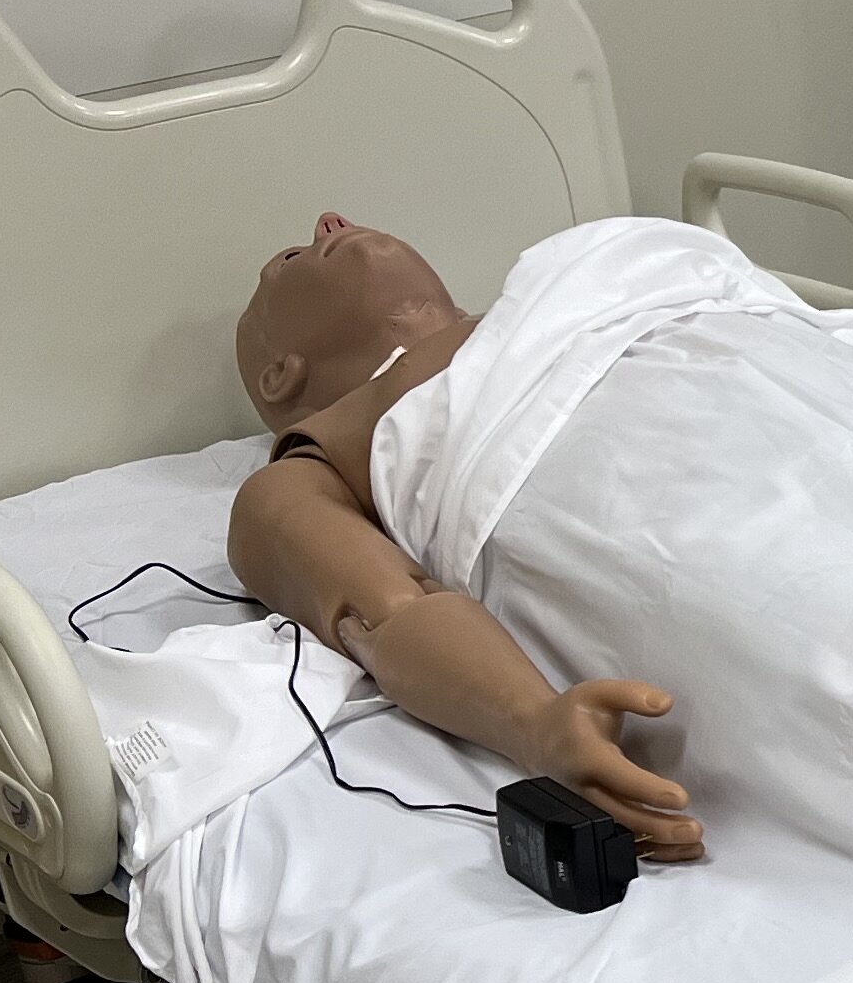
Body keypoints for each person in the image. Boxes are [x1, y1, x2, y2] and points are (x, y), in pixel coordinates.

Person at [226, 213, 702, 855]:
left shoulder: (580, 284)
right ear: (281, 375)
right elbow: (389, 610)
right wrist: (536, 724)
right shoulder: (319, 461)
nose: (329, 220)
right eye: (291, 257)